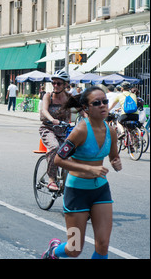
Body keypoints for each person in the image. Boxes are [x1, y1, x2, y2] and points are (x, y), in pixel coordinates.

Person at [42, 86, 122, 259]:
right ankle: (53, 251)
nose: (103, 105)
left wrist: (116, 162)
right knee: (75, 248)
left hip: (100, 190)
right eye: (97, 103)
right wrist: (90, 168)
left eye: (105, 101)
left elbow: (114, 156)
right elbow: (58, 159)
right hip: (77, 192)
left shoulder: (112, 132)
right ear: (86, 108)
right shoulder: (80, 131)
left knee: (103, 245)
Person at [39, 69, 72, 191]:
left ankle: (67, 181)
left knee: (71, 153)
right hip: (48, 129)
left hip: (63, 130)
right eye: (54, 83)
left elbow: (81, 110)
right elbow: (44, 110)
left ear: (65, 85)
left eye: (58, 83)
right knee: (55, 147)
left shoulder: (69, 98)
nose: (55, 86)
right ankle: (51, 179)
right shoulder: (48, 96)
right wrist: (52, 119)